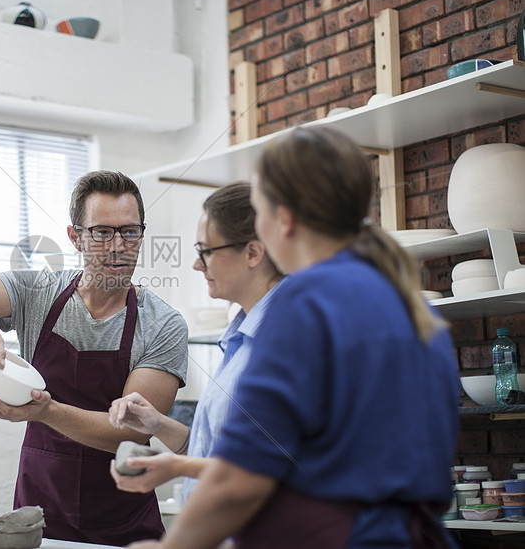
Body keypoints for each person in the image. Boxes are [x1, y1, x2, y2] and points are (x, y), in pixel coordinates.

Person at [128, 127, 461, 549]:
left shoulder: (306, 305)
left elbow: (241, 479)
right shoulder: (416, 310)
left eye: (260, 208)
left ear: (282, 218)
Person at [0, 170, 188, 546]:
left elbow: (131, 432)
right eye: (102, 232)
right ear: (76, 236)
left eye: (129, 232)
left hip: (125, 528)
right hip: (38, 522)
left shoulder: (163, 324)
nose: (118, 246)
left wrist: (45, 412)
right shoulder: (39, 293)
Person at [107, 181, 284, 504]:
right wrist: (158, 424)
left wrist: (176, 467)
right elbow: (215, 450)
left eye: (206, 251)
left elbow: (274, 469)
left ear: (253, 252)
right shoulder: (241, 335)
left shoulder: (286, 340)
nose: (196, 265)